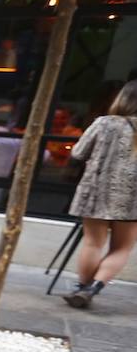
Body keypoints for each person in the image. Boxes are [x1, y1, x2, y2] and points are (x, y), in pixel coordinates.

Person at [63, 79, 137, 308]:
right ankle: (94, 288)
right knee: (122, 248)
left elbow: (78, 152)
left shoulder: (104, 123)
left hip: (97, 191)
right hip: (133, 196)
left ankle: (82, 289)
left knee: (93, 243)